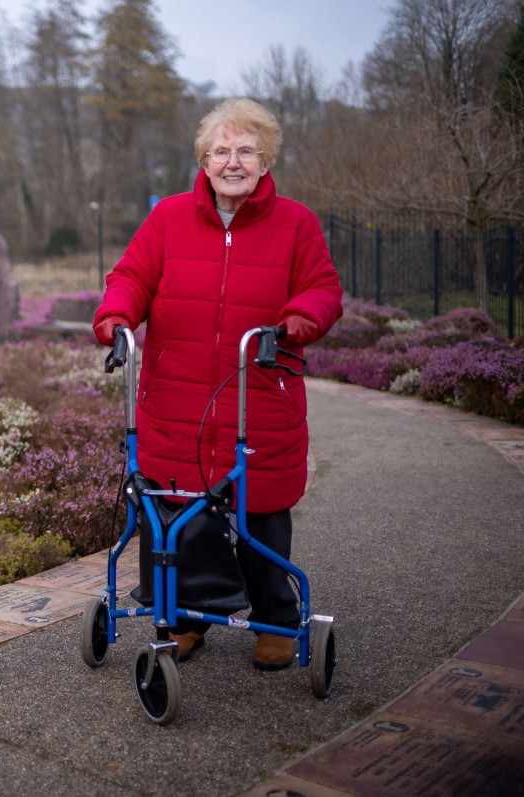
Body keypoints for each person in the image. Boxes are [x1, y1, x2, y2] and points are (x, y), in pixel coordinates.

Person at [93, 98, 343, 670]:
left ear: (265, 160)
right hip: (176, 397)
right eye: (222, 151)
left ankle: (276, 620)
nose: (233, 161)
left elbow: (323, 289)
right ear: (204, 161)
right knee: (176, 511)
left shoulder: (297, 223)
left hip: (259, 394)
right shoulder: (169, 218)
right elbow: (130, 276)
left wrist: (294, 323)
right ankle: (181, 620)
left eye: (246, 150)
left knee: (261, 514)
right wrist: (116, 318)